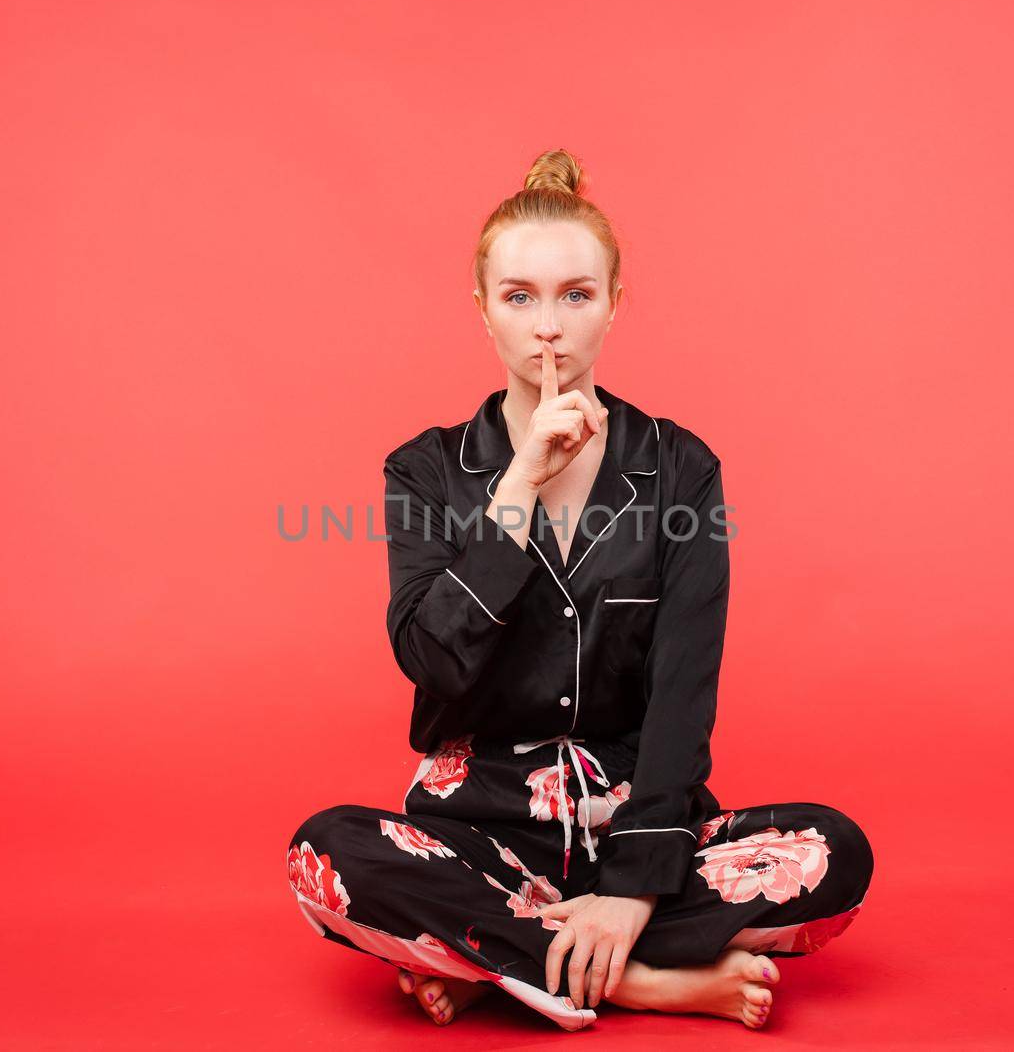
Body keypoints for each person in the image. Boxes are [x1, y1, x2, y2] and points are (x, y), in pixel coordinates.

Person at [285, 149, 874, 1032]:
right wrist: (517, 483)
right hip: (479, 833)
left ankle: (492, 960)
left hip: (637, 826)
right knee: (323, 853)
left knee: (834, 851)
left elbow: (684, 691)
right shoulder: (424, 470)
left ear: (613, 305)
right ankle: (641, 980)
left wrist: (633, 889)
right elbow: (431, 658)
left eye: (576, 295)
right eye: (519, 297)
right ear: (482, 311)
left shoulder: (680, 468)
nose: (548, 327)